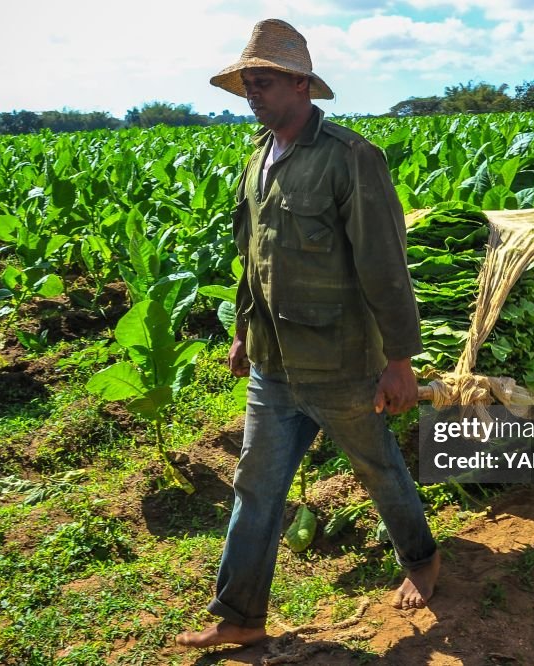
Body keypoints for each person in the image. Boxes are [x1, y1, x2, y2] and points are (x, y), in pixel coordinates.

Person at [176, 19, 440, 649]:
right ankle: (240, 613)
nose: (251, 95)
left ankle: (422, 558)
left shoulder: (350, 158)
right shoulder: (256, 161)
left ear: (300, 84)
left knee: (376, 467)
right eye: (246, 84)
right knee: (256, 485)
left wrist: (399, 359)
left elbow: (385, 264)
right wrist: (244, 333)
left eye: (262, 82)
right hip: (273, 363)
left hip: (339, 361)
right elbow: (254, 260)